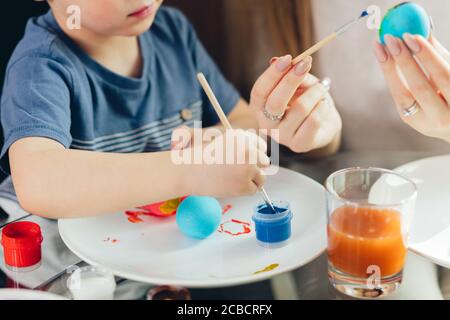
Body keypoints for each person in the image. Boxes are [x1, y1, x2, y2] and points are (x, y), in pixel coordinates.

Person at [0, 0, 341, 219]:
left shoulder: (171, 31)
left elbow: (237, 119)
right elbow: (38, 181)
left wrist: (237, 135)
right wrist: (189, 169)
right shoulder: (40, 65)